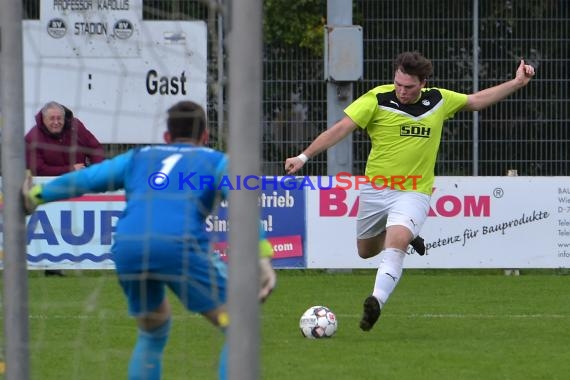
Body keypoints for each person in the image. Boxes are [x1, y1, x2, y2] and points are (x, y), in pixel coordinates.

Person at [22, 100, 277, 379]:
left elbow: (87, 179)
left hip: (129, 248)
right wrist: (262, 255)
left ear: (166, 137)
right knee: (240, 326)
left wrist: (37, 195)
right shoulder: (218, 162)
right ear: (205, 136)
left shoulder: (138, 157)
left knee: (153, 331)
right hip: (179, 246)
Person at [285, 51, 535, 331]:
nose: (402, 91)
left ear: (423, 83)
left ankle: (376, 302)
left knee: (397, 241)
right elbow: (341, 128)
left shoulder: (438, 100)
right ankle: (409, 235)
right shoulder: (377, 99)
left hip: (414, 192)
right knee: (365, 251)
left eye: (409, 86)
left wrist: (516, 83)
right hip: (375, 191)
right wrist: (304, 157)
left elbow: (475, 101)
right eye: (398, 84)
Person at [25, 101, 105, 276]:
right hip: (49, 189)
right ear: (43, 119)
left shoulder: (77, 127)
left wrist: (99, 172)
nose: (56, 122)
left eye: (59, 118)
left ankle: (85, 259)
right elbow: (38, 168)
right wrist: (70, 170)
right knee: (52, 225)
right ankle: (52, 266)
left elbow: (95, 148)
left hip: (79, 185)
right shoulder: (33, 137)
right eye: (52, 118)